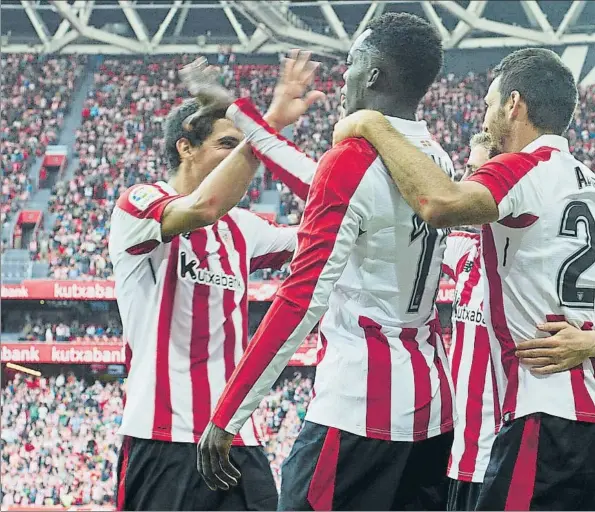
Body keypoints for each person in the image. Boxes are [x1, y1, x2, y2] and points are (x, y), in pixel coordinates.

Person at [199, 13, 458, 510]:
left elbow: (300, 299)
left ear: (376, 74)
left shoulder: (354, 160)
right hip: (430, 409)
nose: (344, 76)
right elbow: (314, 179)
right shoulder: (435, 159)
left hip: (359, 410)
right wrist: (241, 112)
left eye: (354, 62)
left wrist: (229, 412)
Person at [333, 48, 595, 510]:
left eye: (491, 104)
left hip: (548, 414)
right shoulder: (587, 183)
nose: (487, 115)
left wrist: (373, 125)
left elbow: (439, 204)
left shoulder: (524, 168)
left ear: (514, 104)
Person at [109, 54, 324, 511]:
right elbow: (202, 208)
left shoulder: (243, 227)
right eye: (228, 143)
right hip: (162, 436)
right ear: (186, 147)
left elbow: (323, 234)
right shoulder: (140, 204)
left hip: (235, 437)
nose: (244, 155)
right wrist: (264, 128)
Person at [442, 133, 496, 512]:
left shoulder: (536, 257)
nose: (466, 182)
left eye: (478, 171)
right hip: (457, 455)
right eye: (467, 169)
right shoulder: (466, 250)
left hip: (501, 460)